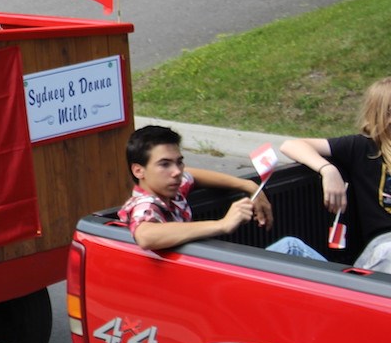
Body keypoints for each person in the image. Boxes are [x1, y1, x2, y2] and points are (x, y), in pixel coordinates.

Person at [121, 125, 322, 259]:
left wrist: (249, 186)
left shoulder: (171, 188)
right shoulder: (145, 205)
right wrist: (222, 224)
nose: (176, 171)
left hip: (201, 274)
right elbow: (146, 235)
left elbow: (193, 175)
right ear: (138, 170)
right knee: (291, 247)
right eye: (164, 164)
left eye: (179, 161)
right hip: (197, 290)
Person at [282, 77, 391, 264]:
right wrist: (328, 170)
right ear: (384, 115)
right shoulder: (363, 147)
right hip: (383, 248)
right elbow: (291, 145)